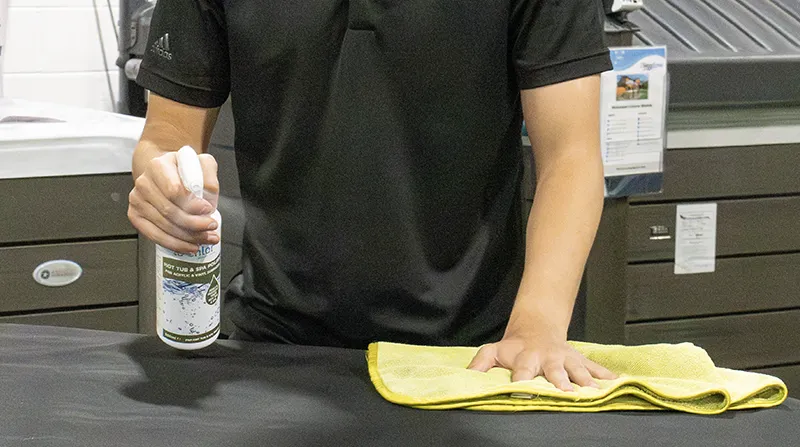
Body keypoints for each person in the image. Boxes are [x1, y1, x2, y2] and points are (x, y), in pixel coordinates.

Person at [128, 0, 618, 391]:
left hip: (469, 357)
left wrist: (537, 326)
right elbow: (168, 132)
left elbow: (570, 157)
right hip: (273, 341)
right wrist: (161, 178)